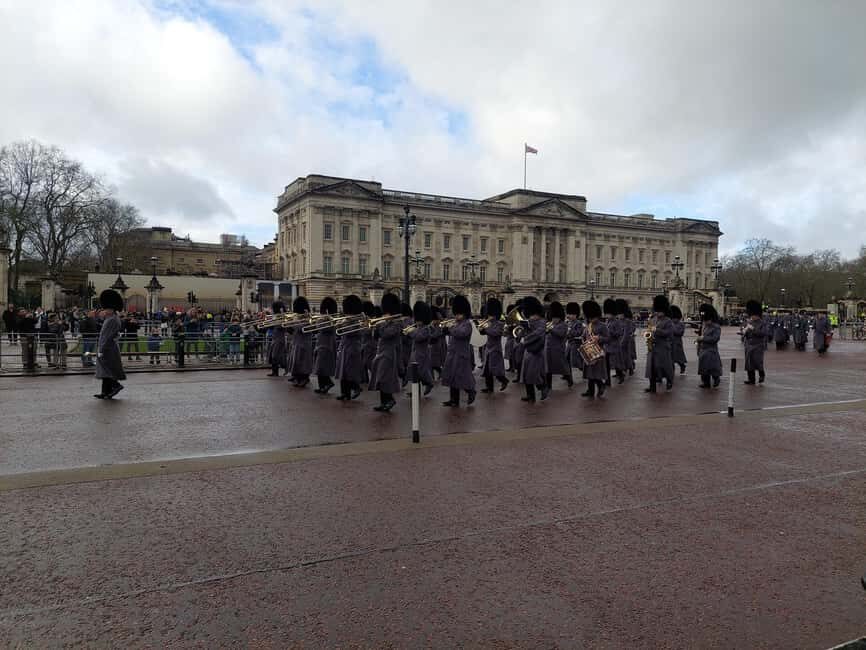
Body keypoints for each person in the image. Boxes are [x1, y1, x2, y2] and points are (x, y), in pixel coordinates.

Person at [441, 294, 477, 407]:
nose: (456, 315)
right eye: (456, 313)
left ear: (464, 313)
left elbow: (461, 334)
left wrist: (451, 328)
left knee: (462, 376)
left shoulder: (467, 324)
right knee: (452, 377)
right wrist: (445, 328)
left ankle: (471, 391)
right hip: (452, 353)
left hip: (461, 354)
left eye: (458, 313)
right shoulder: (457, 323)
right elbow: (450, 333)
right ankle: (453, 400)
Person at [369, 293, 403, 412]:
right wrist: (375, 327)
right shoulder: (385, 322)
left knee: (384, 378)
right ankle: (384, 402)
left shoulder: (397, 323)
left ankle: (390, 400)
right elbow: (377, 337)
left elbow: (387, 334)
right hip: (381, 352)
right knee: (380, 378)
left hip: (389, 353)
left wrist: (381, 324)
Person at [94, 289, 126, 399]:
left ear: (111, 309)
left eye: (106, 309)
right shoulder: (111, 318)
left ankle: (116, 386)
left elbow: (107, 337)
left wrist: (101, 350)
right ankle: (105, 392)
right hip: (108, 347)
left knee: (106, 370)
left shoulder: (112, 319)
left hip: (107, 349)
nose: (104, 311)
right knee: (104, 371)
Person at [517, 296, 548, 403]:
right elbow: (523, 333)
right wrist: (518, 332)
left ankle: (543, 387)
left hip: (536, 351)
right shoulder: (528, 322)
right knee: (525, 375)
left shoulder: (542, 322)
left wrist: (525, 339)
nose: (531, 316)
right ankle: (530, 395)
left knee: (533, 374)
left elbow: (538, 334)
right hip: (528, 350)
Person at [335, 294, 364, 401]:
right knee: (343, 371)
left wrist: (342, 325)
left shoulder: (358, 320)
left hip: (353, 347)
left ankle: (356, 387)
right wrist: (339, 325)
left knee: (350, 370)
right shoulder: (346, 319)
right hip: (344, 346)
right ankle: (344, 393)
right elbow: (340, 333)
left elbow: (352, 332)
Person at [645, 295, 675, 393]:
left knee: (663, 366)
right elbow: (649, 330)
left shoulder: (668, 321)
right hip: (652, 347)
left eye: (659, 311)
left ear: (664, 310)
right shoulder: (653, 320)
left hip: (662, 347)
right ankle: (652, 386)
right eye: (656, 311)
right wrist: (648, 336)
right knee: (651, 367)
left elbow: (668, 333)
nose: (657, 313)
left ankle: (669, 380)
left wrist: (657, 330)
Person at [479, 297, 509, 393]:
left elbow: (495, 333)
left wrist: (486, 330)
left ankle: (504, 380)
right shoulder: (488, 322)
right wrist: (481, 330)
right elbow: (484, 333)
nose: (489, 316)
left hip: (495, 349)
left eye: (491, 314)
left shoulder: (499, 324)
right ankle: (489, 388)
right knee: (487, 370)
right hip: (488, 348)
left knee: (495, 368)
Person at [580, 300, 608, 398]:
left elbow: (608, 338)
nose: (591, 319)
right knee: (589, 372)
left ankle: (601, 385)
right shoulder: (589, 326)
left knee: (595, 372)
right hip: (589, 350)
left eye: (593, 317)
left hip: (598, 351)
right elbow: (583, 336)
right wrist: (583, 341)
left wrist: (599, 338)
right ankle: (590, 391)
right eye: (590, 318)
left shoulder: (603, 326)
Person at [407, 300, 435, 395]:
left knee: (422, 371)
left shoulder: (426, 329)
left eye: (418, 320)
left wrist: (410, 332)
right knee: (415, 372)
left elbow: (419, 337)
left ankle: (430, 383)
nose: (417, 321)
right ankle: (416, 391)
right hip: (415, 352)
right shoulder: (418, 327)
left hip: (422, 353)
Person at [544, 301, 571, 390]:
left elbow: (561, 334)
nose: (554, 319)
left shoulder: (563, 325)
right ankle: (548, 386)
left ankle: (569, 378)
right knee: (548, 368)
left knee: (562, 366)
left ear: (560, 317)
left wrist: (551, 329)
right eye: (552, 317)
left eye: (555, 317)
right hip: (548, 349)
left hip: (558, 349)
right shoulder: (550, 324)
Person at [313, 297, 338, 394]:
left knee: (321, 366)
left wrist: (324, 319)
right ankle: (322, 386)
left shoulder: (331, 320)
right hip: (320, 344)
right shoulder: (325, 319)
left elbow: (322, 327)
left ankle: (327, 383)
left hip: (326, 345)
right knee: (319, 367)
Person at [287, 296, 313, 387]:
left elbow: (304, 328)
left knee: (304, 362)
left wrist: (295, 323)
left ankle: (304, 378)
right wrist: (288, 326)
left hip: (304, 343)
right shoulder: (296, 317)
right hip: (296, 342)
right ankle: (298, 377)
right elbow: (292, 331)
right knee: (297, 361)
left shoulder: (308, 318)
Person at [696, 303, 722, 388]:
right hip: (703, 350)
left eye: (707, 320)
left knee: (712, 367)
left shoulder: (716, 327)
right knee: (703, 368)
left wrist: (703, 338)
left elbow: (715, 339)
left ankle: (716, 379)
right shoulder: (704, 325)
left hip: (711, 350)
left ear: (711, 318)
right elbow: (702, 335)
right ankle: (706, 382)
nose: (705, 321)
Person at [742, 300, 768, 384]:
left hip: (758, 345)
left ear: (757, 315)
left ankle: (761, 375)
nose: (752, 317)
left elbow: (763, 333)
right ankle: (751, 379)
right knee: (749, 363)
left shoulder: (762, 323)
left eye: (753, 315)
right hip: (749, 345)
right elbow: (745, 333)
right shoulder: (749, 322)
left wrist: (753, 329)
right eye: (751, 315)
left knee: (757, 362)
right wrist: (744, 332)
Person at [602, 299, 623, 386]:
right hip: (607, 346)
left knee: (616, 363)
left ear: (612, 313)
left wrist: (610, 332)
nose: (606, 315)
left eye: (608, 314)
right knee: (606, 364)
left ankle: (621, 375)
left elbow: (619, 333)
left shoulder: (617, 322)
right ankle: (608, 381)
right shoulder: (607, 322)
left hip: (614, 346)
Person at [266, 302, 288, 377]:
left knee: (276, 356)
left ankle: (286, 368)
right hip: (274, 338)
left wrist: (282, 314)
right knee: (273, 356)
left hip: (280, 339)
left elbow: (283, 326)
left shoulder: (283, 317)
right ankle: (274, 372)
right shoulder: (275, 316)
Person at [565, 302, 584, 378]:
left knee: (577, 363)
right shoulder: (569, 323)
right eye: (568, 314)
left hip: (576, 345)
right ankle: (568, 375)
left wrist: (570, 330)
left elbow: (579, 333)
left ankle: (585, 370)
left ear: (575, 315)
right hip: (569, 343)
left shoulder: (578, 323)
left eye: (571, 314)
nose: (569, 316)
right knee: (566, 359)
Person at [429, 307, 447, 379]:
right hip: (432, 345)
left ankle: (440, 373)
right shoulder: (433, 324)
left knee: (435, 363)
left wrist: (429, 335)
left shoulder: (439, 325)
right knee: (432, 363)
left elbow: (437, 334)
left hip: (437, 345)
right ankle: (433, 376)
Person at [669, 305, 687, 375]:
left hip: (677, 343)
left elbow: (679, 333)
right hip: (670, 342)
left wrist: (672, 326)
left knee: (679, 358)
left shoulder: (681, 324)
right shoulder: (670, 323)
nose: (673, 319)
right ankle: (671, 371)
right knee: (670, 358)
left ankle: (682, 366)